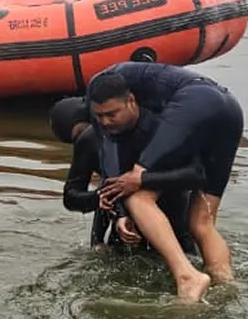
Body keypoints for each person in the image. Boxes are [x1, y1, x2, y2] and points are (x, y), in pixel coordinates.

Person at [89, 63, 244, 303]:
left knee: (136, 193)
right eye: (101, 116)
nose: (105, 122)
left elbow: (110, 158)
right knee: (202, 221)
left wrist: (123, 206)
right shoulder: (124, 83)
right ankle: (226, 284)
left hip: (193, 102)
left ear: (131, 100)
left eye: (111, 115)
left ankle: (187, 277)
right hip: (230, 109)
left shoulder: (98, 91)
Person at [49, 96, 201, 254]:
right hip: (148, 231)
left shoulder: (156, 133)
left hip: (168, 227)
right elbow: (97, 193)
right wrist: (99, 203)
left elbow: (195, 175)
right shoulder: (90, 141)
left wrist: (141, 181)